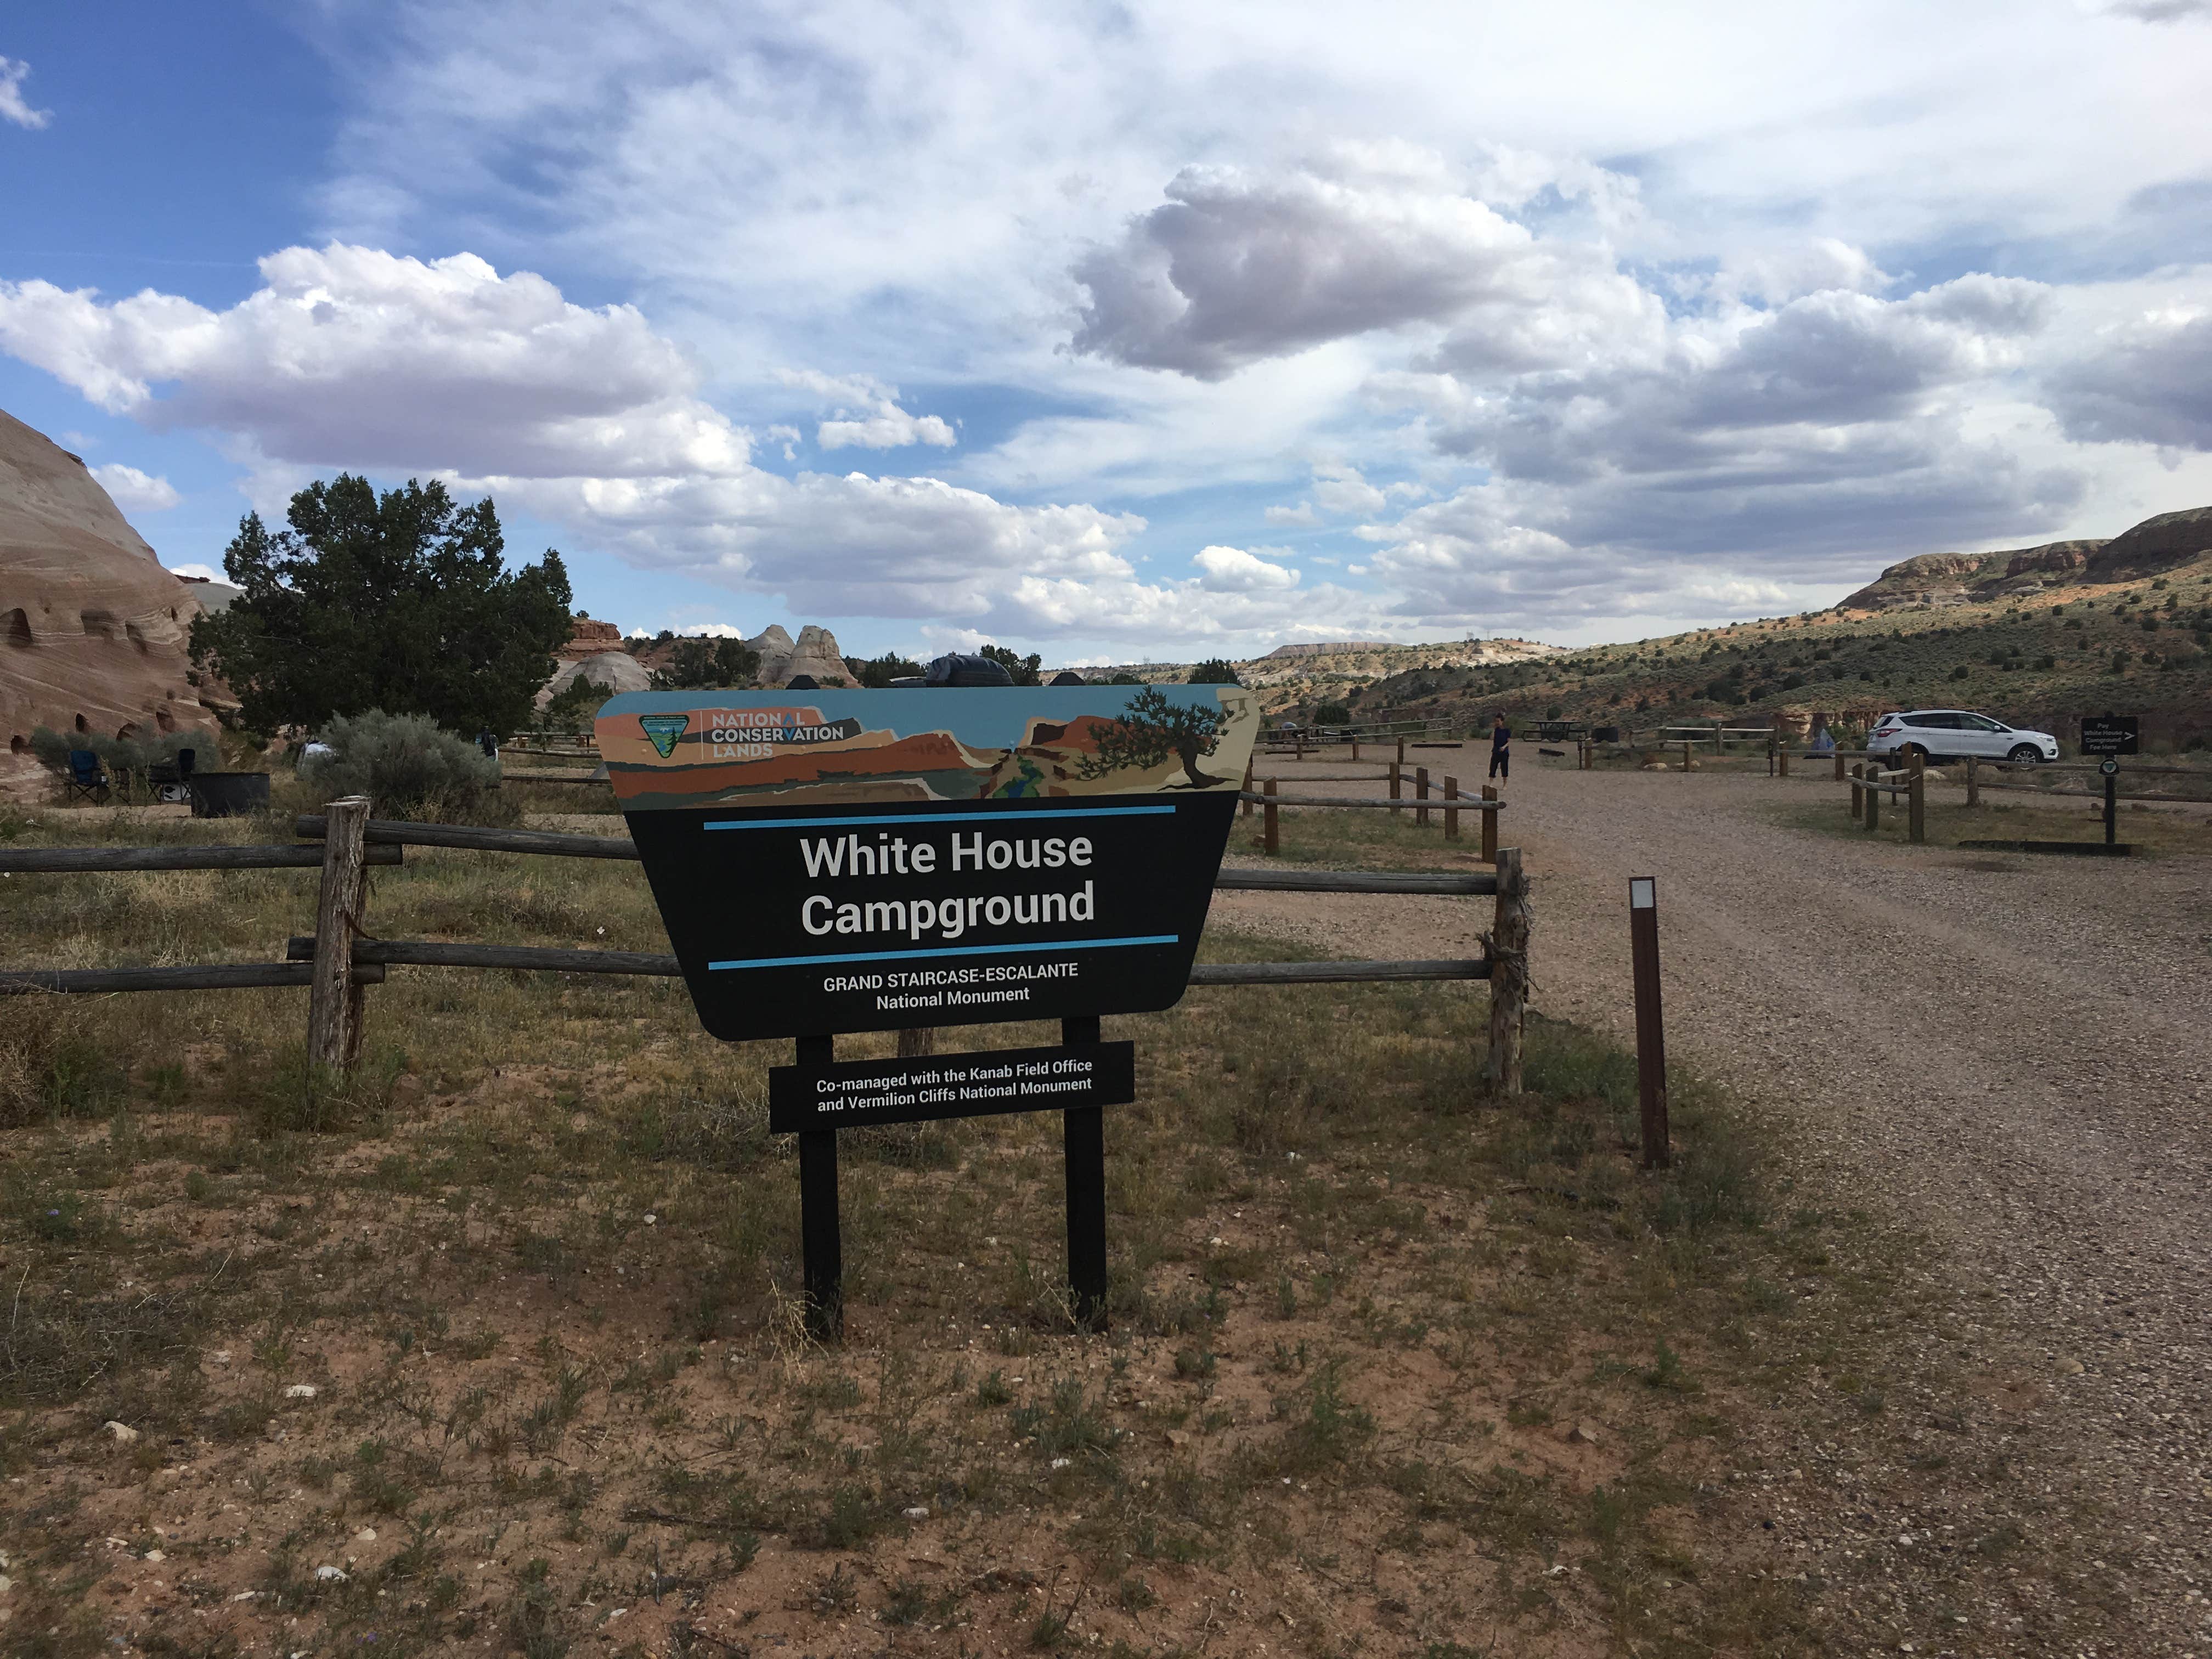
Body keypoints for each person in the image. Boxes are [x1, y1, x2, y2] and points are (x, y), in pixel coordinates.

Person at [1488, 713, 1511, 780]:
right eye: (1496, 721)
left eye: (1498, 721)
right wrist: (1493, 729)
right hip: (1496, 751)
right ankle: (1490, 783)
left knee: (1504, 768)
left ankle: (1504, 783)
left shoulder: (1507, 731)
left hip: (1504, 752)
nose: (1497, 723)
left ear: (1502, 721)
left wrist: (1504, 747)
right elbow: (1491, 738)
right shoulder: (1496, 730)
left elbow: (1509, 742)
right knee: (1493, 767)